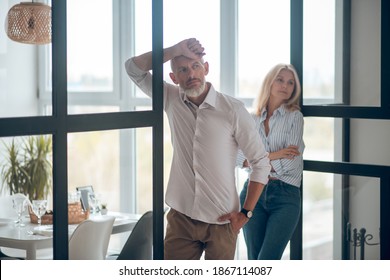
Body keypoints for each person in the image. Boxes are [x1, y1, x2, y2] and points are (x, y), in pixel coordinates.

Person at [125, 38, 271, 260]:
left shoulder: (233, 110)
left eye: (195, 66)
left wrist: (245, 213)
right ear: (174, 78)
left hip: (222, 222)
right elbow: (133, 68)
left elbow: (260, 163)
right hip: (181, 219)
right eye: (183, 70)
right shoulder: (170, 98)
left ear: (206, 68)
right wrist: (175, 50)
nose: (191, 74)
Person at [236, 63, 305, 260]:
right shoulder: (251, 119)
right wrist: (277, 155)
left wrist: (257, 160)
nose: (285, 85)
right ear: (270, 82)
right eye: (280, 80)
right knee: (254, 260)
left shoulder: (295, 117)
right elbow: (238, 158)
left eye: (291, 83)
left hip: (285, 196)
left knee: (267, 260)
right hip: (252, 192)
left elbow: (291, 165)